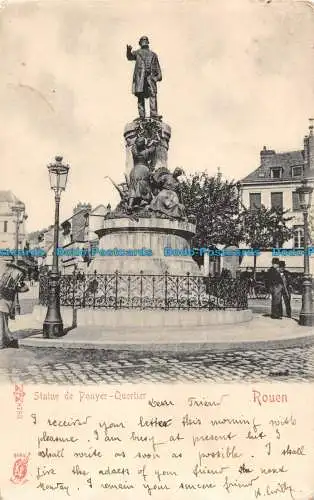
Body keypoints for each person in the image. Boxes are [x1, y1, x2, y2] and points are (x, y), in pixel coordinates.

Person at [126, 36, 162, 119]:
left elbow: (158, 71)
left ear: (148, 42)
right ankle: (142, 116)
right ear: (140, 43)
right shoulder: (137, 53)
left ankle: (154, 114)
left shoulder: (153, 55)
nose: (144, 42)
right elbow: (130, 57)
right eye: (142, 40)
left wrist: (155, 78)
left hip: (150, 78)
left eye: (145, 40)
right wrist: (128, 51)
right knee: (140, 96)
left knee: (152, 94)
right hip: (140, 78)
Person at [0, 259, 29, 348]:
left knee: (2, 322)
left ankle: (5, 341)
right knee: (3, 322)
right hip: (6, 302)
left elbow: (26, 288)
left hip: (4, 302)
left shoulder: (7, 279)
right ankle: (7, 339)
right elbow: (26, 288)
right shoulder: (10, 281)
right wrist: (17, 288)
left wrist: (18, 287)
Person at [128, 137, 156, 211]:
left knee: (133, 186)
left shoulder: (134, 152)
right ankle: (143, 201)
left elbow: (134, 146)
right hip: (144, 170)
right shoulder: (146, 152)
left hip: (134, 170)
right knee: (144, 184)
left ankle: (130, 204)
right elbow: (153, 148)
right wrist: (151, 142)